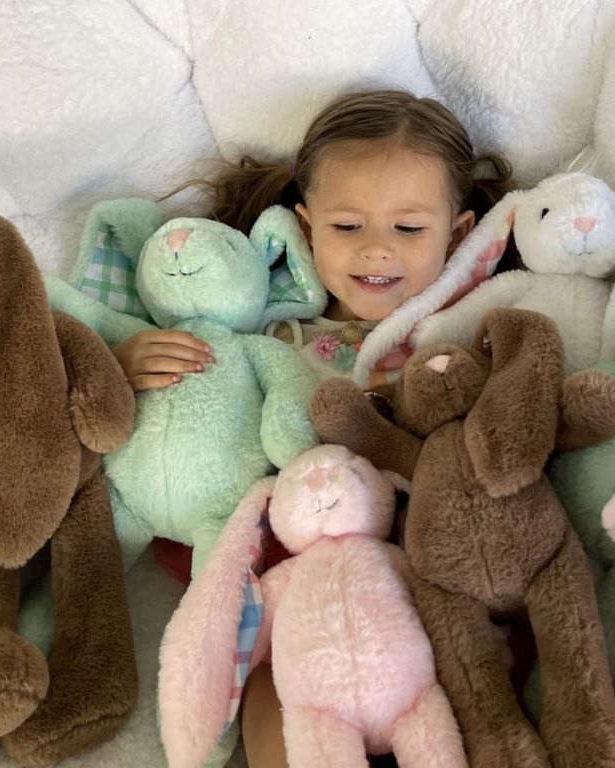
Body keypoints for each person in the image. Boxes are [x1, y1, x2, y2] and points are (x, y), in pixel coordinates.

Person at [118, 88, 512, 766]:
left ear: (457, 231)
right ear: (305, 227)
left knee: (472, 675)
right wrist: (126, 365)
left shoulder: (457, 332)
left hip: (411, 571)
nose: (376, 251)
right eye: (348, 227)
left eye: (409, 229)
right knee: (277, 685)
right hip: (289, 577)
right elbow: (186, 422)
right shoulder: (261, 324)